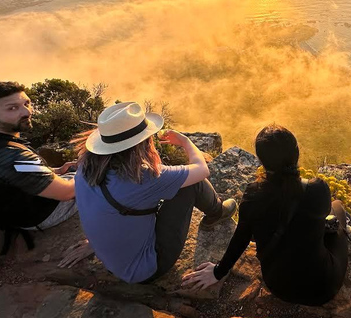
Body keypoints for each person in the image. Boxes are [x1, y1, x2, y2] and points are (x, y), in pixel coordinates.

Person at [68, 102, 236, 283]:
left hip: (112, 261)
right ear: (141, 143)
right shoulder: (143, 179)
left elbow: (96, 208)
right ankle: (217, 212)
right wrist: (186, 142)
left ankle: (216, 211)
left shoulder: (84, 167)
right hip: (147, 269)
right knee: (190, 184)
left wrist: (96, 243)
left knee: (175, 185)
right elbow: (202, 170)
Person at [181, 124, 349, 306]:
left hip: (278, 286)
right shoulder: (318, 189)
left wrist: (218, 272)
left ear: (261, 160)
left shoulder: (254, 195)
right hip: (323, 288)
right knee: (337, 208)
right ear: (296, 153)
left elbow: (241, 238)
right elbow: (322, 213)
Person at [0, 81, 78, 234]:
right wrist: (87, 171)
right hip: (39, 217)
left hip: (7, 211)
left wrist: (57, 171)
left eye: (27, 103)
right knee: (102, 177)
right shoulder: (12, 155)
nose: (26, 112)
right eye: (13, 108)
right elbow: (67, 193)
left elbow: (12, 175)